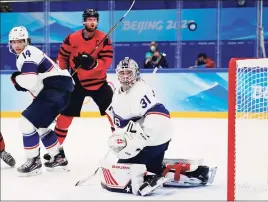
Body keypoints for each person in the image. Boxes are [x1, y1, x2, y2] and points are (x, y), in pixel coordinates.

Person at [100, 57, 217, 196]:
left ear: (136, 73)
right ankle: (195, 173)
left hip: (152, 140)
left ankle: (146, 179)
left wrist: (140, 139)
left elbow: (160, 114)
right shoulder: (119, 94)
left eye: (129, 73)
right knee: (147, 166)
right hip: (153, 140)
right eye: (122, 73)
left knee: (122, 168)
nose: (125, 77)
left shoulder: (140, 90)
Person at [44, 8, 114, 161]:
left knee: (114, 114)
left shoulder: (104, 39)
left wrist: (93, 63)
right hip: (76, 82)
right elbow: (62, 56)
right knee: (64, 117)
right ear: (84, 21)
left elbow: (107, 61)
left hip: (99, 83)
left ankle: (125, 147)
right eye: (89, 19)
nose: (92, 22)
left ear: (97, 21)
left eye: (94, 19)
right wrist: (63, 74)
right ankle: (55, 152)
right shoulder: (72, 38)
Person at [9, 26, 74, 176]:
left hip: (55, 89)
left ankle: (34, 161)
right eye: (14, 42)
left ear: (26, 41)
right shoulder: (27, 54)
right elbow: (35, 83)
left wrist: (16, 78)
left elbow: (30, 80)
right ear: (10, 44)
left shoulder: (28, 52)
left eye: (20, 41)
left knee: (25, 122)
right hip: (59, 91)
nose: (17, 45)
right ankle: (58, 157)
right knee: (40, 125)